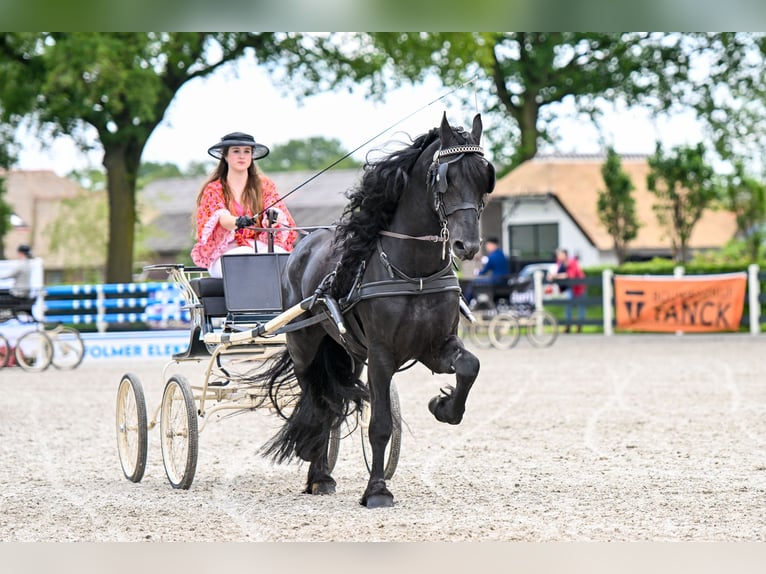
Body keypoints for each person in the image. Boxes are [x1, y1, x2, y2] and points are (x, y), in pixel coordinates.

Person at [191, 131, 297, 277]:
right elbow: (223, 220)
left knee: (284, 260)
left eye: (246, 151)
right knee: (245, 259)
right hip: (226, 252)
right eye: (236, 151)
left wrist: (273, 217)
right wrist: (239, 221)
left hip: (258, 246)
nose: (242, 156)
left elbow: (276, 208)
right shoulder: (214, 189)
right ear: (226, 156)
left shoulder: (265, 185)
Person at [548, 247, 586, 332]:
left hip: (579, 287)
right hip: (570, 287)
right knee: (568, 305)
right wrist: (551, 276)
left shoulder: (572, 262)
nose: (558, 256)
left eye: (560, 254)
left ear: (565, 255)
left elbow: (569, 275)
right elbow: (557, 273)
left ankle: (579, 326)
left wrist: (554, 276)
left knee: (580, 307)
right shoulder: (560, 263)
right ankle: (568, 325)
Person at [464, 237, 509, 306]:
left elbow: (484, 271)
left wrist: (476, 272)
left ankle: (466, 303)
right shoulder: (502, 254)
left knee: (473, 283)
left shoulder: (492, 256)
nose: (486, 247)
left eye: (487, 245)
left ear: (492, 245)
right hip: (504, 280)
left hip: (495, 280)